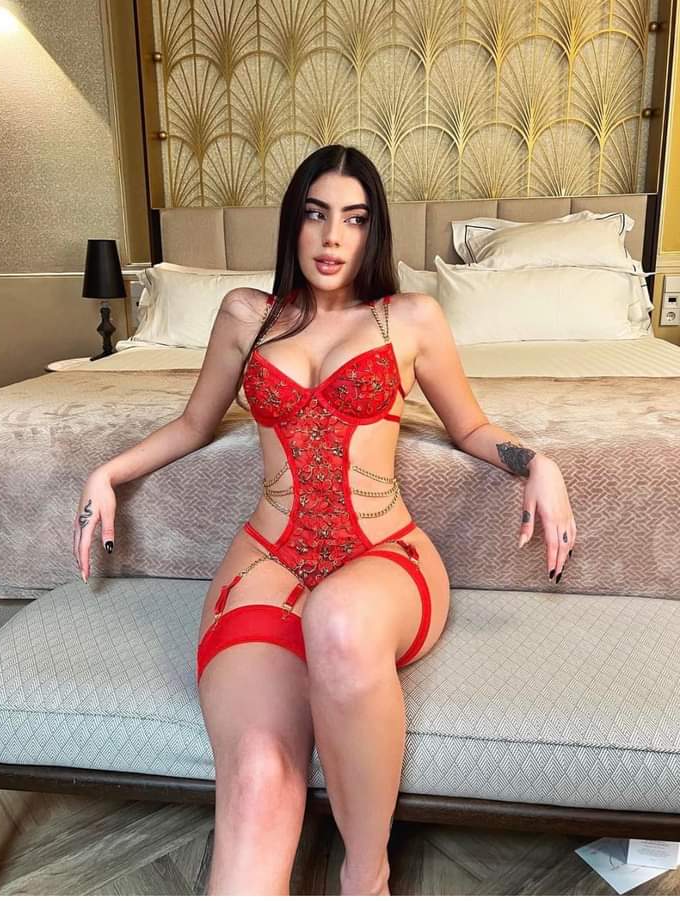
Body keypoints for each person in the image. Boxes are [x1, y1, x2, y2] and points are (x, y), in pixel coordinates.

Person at [73, 144, 576, 895]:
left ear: (375, 232)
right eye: (315, 215)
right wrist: (108, 470)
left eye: (355, 219)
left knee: (338, 620)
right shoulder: (246, 315)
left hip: (384, 554)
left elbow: (470, 426)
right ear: (292, 224)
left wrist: (538, 462)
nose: (333, 237)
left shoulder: (410, 318)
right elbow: (195, 423)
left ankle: (365, 874)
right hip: (268, 557)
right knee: (254, 773)